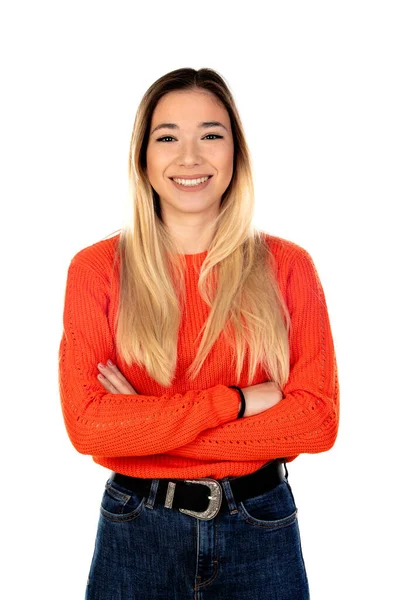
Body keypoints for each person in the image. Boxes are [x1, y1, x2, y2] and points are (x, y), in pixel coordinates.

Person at [58, 67, 340, 599]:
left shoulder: (288, 266)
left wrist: (146, 427)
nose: (190, 157)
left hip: (261, 527)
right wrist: (235, 402)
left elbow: (316, 421)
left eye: (211, 135)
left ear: (237, 153)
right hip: (137, 527)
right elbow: (89, 426)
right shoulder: (95, 270)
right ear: (143, 157)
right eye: (168, 137)